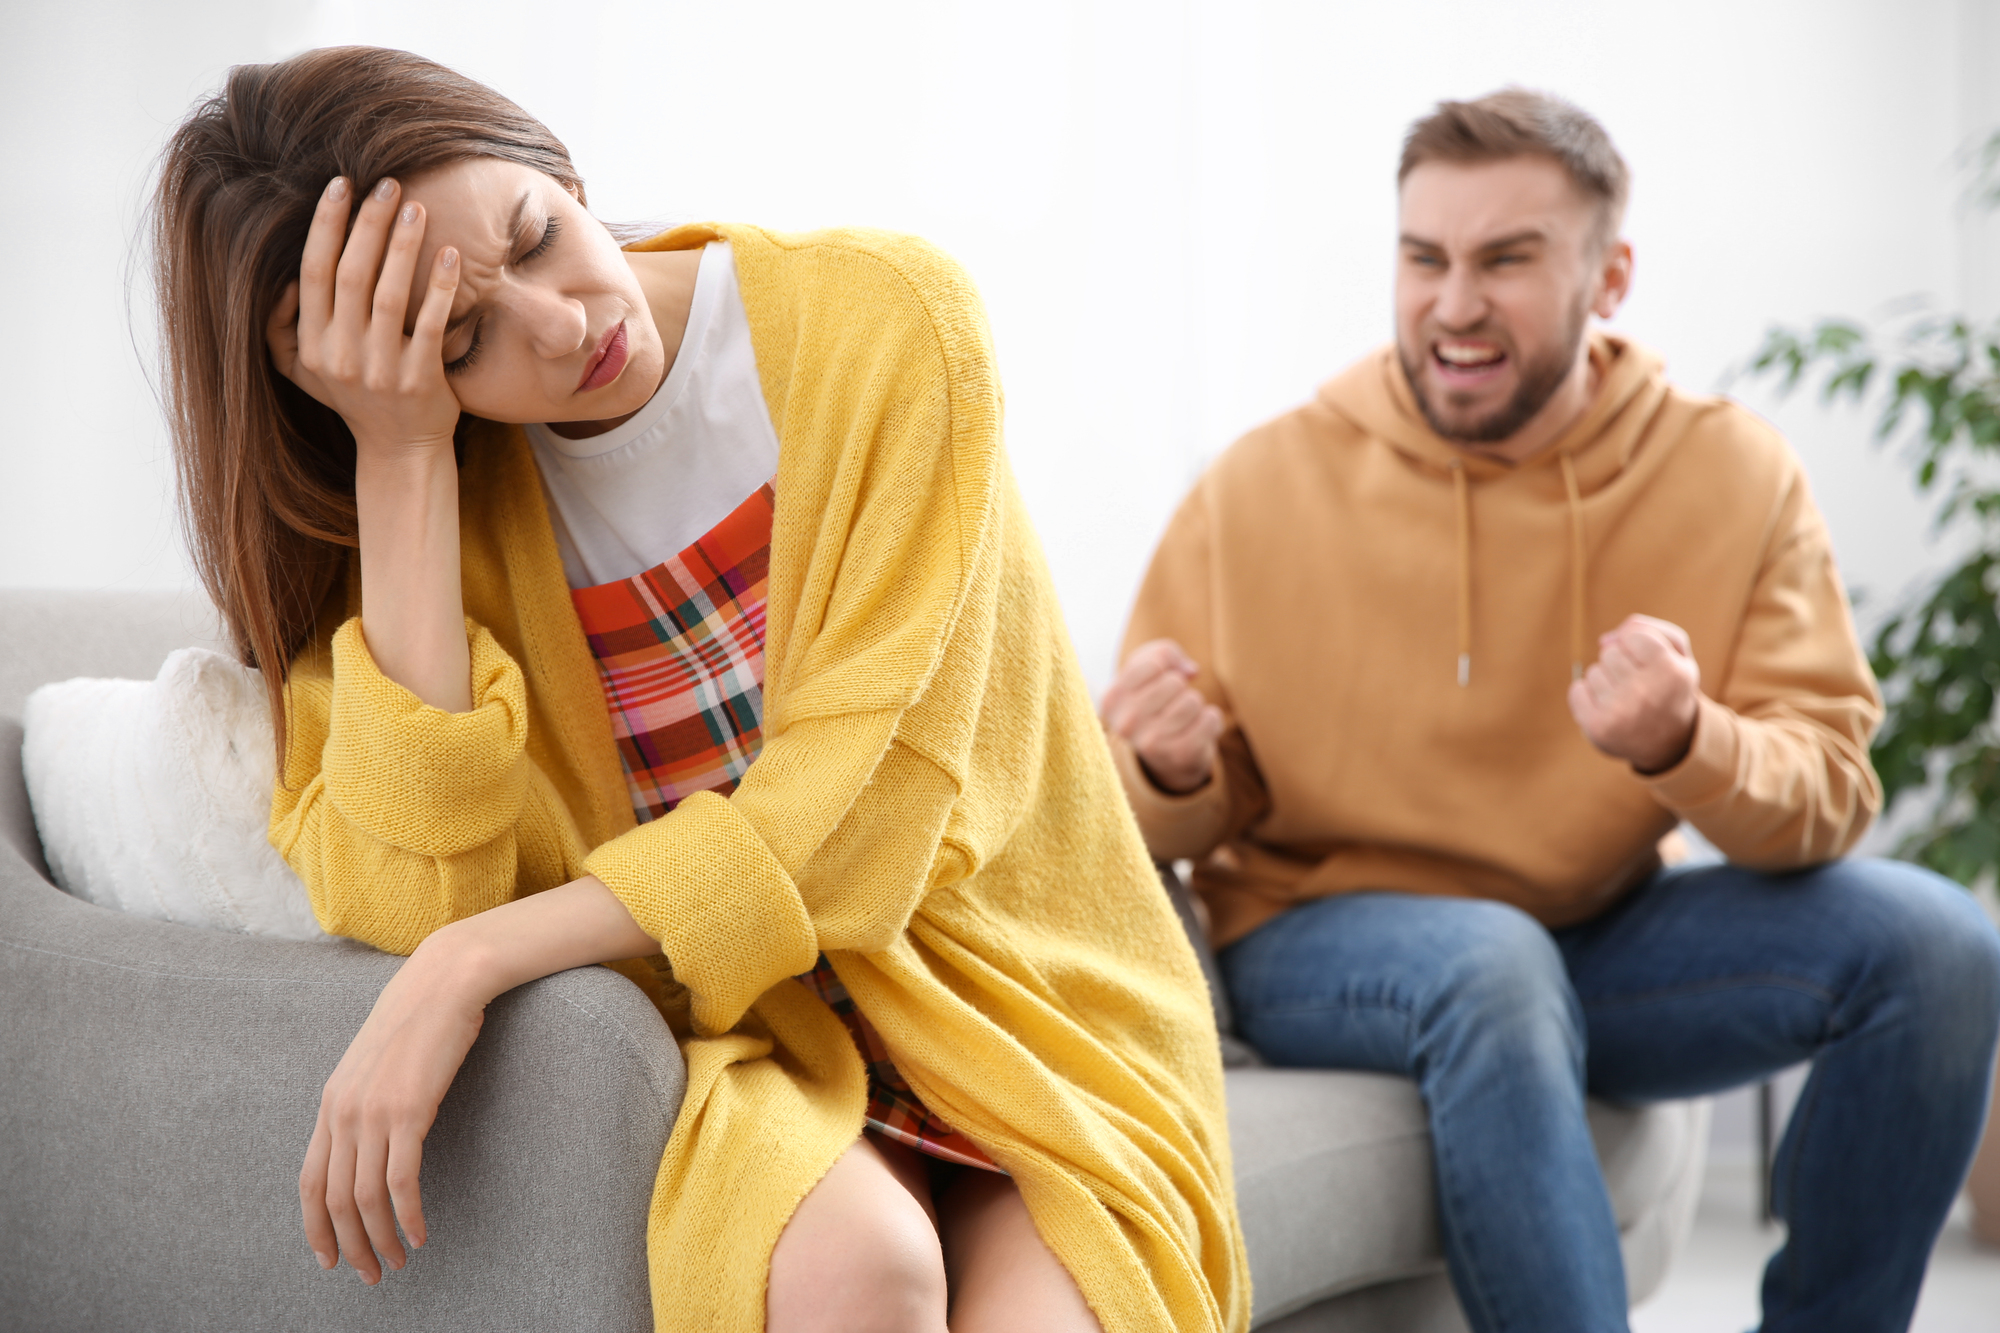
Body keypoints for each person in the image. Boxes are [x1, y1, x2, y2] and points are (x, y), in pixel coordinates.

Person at [151, 45, 1249, 1333]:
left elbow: (863, 824)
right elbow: (412, 894)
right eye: (460, 340)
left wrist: (476, 959)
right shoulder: (416, 516)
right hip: (763, 1054)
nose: (561, 324)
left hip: (1024, 1009)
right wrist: (401, 463)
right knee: (862, 1276)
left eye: (536, 233)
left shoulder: (883, 318)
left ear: (555, 161)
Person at [1101, 88, 2000, 1333]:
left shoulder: (1729, 473)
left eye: (1504, 260)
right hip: (1316, 936)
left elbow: (1830, 792)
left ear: (1609, 275)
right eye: (1423, 258)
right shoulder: (1259, 486)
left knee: (1937, 944)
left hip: (1599, 929)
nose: (1452, 303)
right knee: (1488, 959)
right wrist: (1161, 769)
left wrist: (1689, 743)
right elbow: (1156, 816)